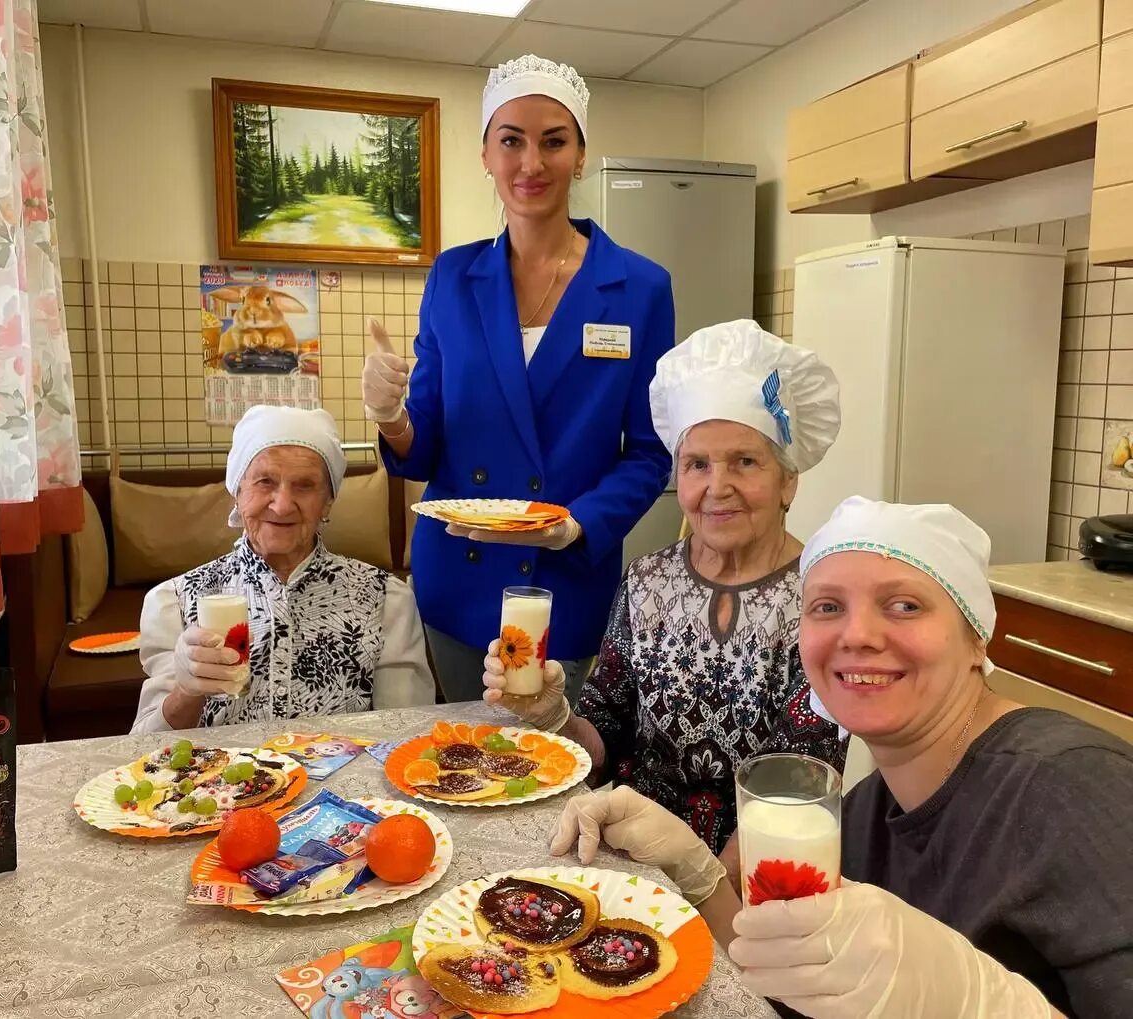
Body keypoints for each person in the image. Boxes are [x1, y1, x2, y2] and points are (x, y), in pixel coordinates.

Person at [555, 497, 1133, 1019]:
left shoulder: (1072, 788)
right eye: (827, 607)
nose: (857, 635)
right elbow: (796, 978)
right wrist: (697, 873)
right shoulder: (861, 816)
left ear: (976, 635)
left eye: (904, 605)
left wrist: (982, 1001)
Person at [361, 54, 674, 704]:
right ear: (486, 155)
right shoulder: (452, 277)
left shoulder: (640, 287)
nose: (531, 163)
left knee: (551, 767)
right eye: (511, 140)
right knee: (455, 766)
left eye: (553, 141)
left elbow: (649, 451)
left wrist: (579, 522)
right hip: (456, 586)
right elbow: (424, 448)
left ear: (581, 155)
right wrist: (390, 414)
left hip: (564, 581)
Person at [485, 320, 846, 856]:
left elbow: (794, 792)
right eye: (697, 464)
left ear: (788, 479)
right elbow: (603, 747)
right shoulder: (646, 582)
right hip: (630, 855)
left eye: (745, 462)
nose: (716, 488)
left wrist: (703, 893)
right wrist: (551, 714)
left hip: (749, 882)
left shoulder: (826, 602)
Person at [132, 406, 434, 733]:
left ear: (328, 500)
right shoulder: (174, 601)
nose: (282, 504)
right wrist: (187, 691)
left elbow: (405, 732)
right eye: (265, 481)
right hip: (220, 783)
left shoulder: (386, 599)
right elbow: (145, 750)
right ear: (238, 490)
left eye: (304, 485)